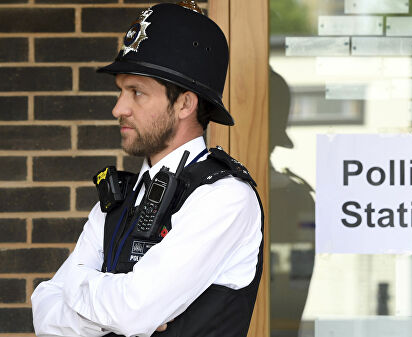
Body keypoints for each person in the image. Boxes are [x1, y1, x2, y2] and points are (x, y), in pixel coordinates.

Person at [31, 2, 263, 336]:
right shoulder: (117, 199)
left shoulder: (224, 198)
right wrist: (115, 302)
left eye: (137, 92)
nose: (118, 108)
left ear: (185, 103)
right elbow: (45, 315)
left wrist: (77, 285)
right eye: (120, 91)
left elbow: (131, 312)